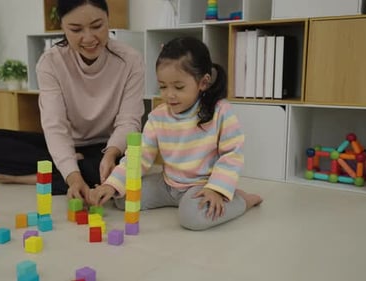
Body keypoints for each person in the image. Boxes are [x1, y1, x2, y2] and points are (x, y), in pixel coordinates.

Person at [0, 0, 144, 199]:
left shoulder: (130, 59)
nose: (89, 38)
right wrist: (73, 176)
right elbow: (55, 126)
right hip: (63, 144)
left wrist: (111, 154)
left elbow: (129, 121)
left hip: (107, 147)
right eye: (76, 29)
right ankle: (69, 171)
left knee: (131, 164)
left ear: (108, 20)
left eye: (97, 26)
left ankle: (33, 177)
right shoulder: (50, 62)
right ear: (62, 27)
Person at [89, 37, 262, 231]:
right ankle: (183, 200)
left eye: (178, 87)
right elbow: (138, 157)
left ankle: (242, 200)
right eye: (163, 86)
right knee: (123, 198)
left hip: (202, 186)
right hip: (167, 185)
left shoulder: (220, 111)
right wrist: (111, 185)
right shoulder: (157, 117)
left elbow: (232, 153)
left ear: (203, 82)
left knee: (192, 217)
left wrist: (215, 188)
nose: (169, 94)